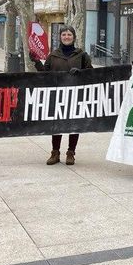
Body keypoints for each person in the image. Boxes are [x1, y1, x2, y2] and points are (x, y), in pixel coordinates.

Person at [43, 25, 93, 166]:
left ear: (74, 37)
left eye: (69, 34)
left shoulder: (82, 55)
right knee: (56, 125)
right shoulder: (53, 56)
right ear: (60, 37)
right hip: (57, 96)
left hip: (76, 96)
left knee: (74, 125)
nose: (66, 37)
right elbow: (43, 75)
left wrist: (81, 72)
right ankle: (55, 152)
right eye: (64, 34)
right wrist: (35, 62)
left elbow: (91, 74)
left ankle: (71, 152)